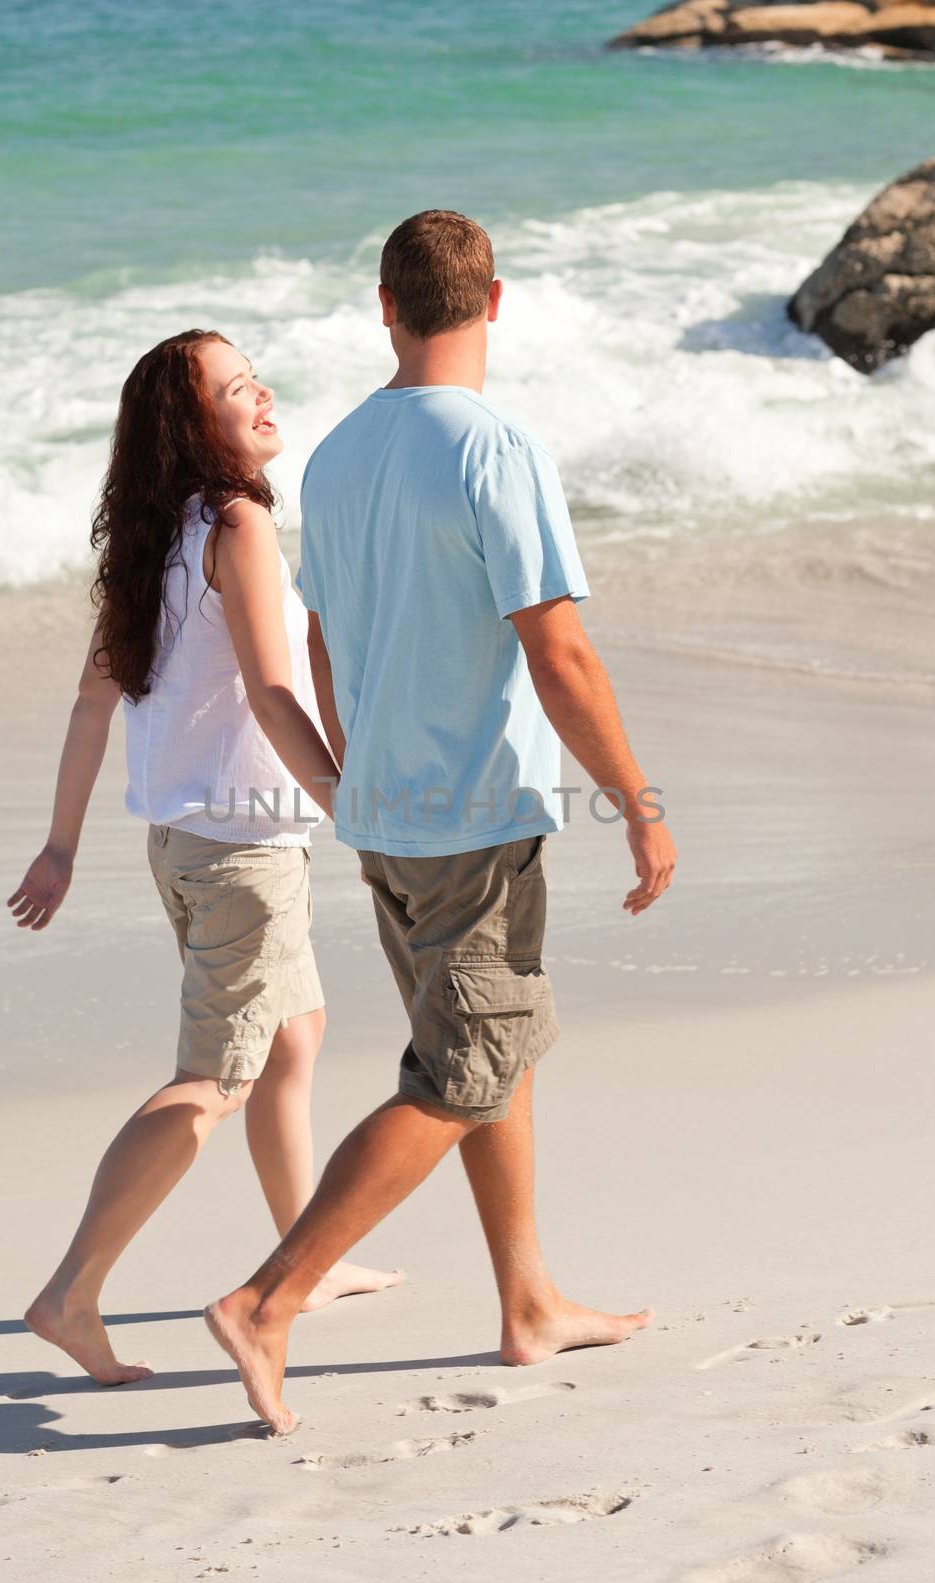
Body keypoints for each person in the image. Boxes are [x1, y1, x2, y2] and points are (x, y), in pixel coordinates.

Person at [204, 212, 677, 1435]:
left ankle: (527, 1301)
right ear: (494, 301)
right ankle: (268, 1298)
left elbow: (317, 633)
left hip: (390, 815)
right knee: (462, 1071)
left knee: (489, 1045)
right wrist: (636, 799)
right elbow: (557, 645)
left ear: (385, 306)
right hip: (472, 811)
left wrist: (363, 765)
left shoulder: (339, 452)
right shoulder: (496, 445)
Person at [7, 329, 400, 1386]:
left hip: (181, 842)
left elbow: (94, 703)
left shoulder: (150, 538)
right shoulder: (238, 521)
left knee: (295, 1037)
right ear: (195, 428)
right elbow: (276, 691)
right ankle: (69, 1293)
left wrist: (60, 846)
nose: (260, 394)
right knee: (210, 1081)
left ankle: (304, 1259)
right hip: (242, 853)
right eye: (235, 391)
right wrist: (349, 804)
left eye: (254, 376)